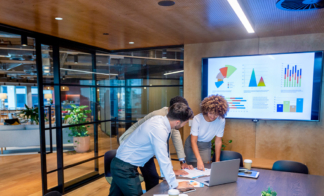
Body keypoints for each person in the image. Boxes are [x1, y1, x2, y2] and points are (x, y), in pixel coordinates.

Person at [109, 103, 194, 196]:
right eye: (185, 123)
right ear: (178, 122)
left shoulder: (159, 120)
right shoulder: (159, 129)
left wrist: (166, 176)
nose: (184, 125)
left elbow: (163, 153)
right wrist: (175, 185)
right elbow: (163, 158)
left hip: (121, 164)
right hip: (124, 168)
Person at [184, 95, 229, 170]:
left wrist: (217, 161)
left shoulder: (221, 120)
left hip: (205, 146)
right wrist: (198, 159)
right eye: (210, 113)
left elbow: (218, 141)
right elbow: (193, 141)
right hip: (192, 145)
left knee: (205, 168)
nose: (213, 116)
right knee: (191, 169)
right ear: (206, 110)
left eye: (216, 114)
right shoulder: (197, 119)